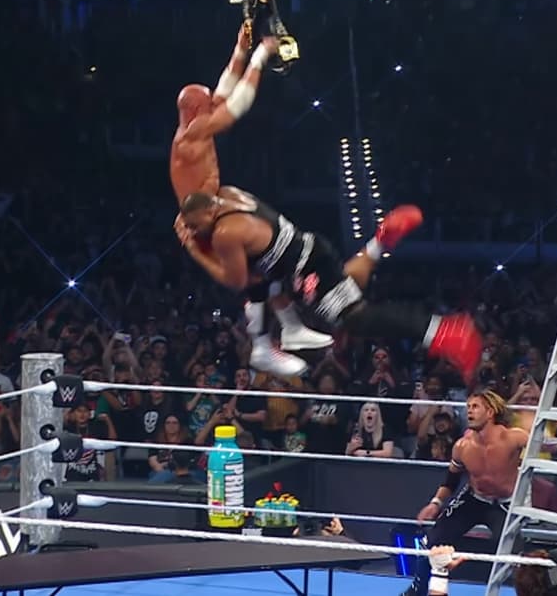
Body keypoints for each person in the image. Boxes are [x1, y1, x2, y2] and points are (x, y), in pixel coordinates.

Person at [171, 24, 332, 376]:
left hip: (215, 205)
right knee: (249, 278)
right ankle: (261, 345)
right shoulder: (193, 136)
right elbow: (238, 104)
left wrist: (241, 49)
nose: (214, 100)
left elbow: (224, 90)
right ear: (196, 110)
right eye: (207, 101)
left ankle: (288, 327)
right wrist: (261, 56)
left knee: (268, 268)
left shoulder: (196, 122)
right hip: (203, 221)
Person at [176, 191, 481, 376]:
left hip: (303, 269)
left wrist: (193, 251)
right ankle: (378, 242)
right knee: (344, 287)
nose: (192, 231)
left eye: (194, 225)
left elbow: (236, 280)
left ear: (210, 211)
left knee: (353, 318)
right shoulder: (228, 195)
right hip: (308, 248)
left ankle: (443, 331)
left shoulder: (224, 233)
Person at [402, 390, 528, 596]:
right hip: (474, 498)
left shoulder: (513, 438)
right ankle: (417, 589)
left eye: (475, 407)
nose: (469, 411)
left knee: (516, 555)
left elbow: (547, 447)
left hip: (504, 504)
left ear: (490, 412)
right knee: (430, 541)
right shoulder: (462, 446)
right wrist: (435, 503)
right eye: (468, 407)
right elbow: (451, 481)